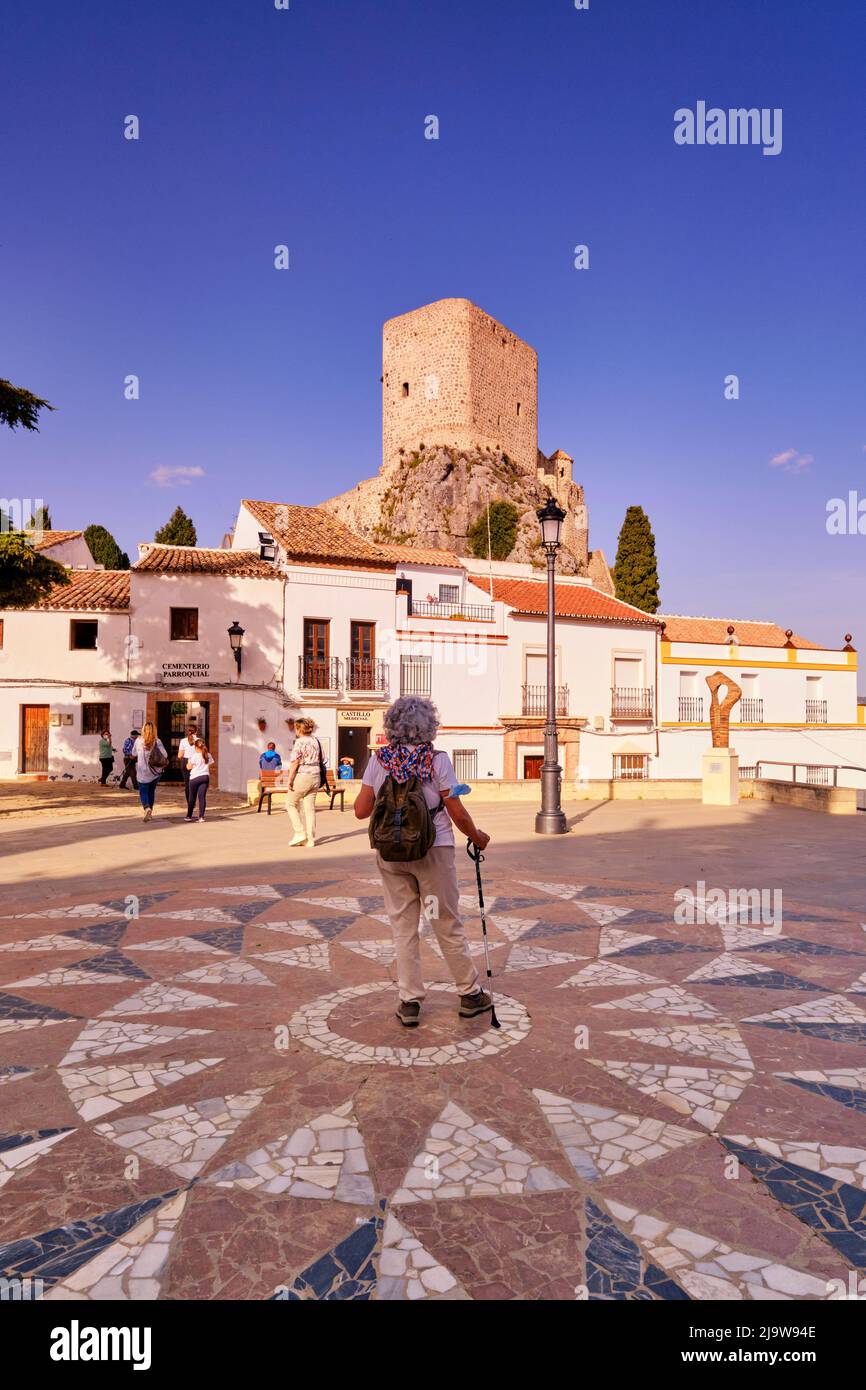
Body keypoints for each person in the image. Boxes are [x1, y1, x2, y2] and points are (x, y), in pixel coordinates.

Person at [353, 695, 492, 1028]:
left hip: (391, 855)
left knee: (404, 928)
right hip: (433, 851)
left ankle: (409, 1001)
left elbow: (361, 811)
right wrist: (476, 836)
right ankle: (469, 994)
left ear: (392, 726)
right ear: (429, 725)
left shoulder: (379, 761)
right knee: (445, 921)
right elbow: (455, 810)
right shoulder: (437, 760)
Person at [285, 717, 322, 848]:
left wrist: (290, 779)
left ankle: (300, 832)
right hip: (316, 776)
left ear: (299, 728)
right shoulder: (316, 741)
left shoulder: (299, 742)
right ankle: (310, 839)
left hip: (303, 776)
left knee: (290, 804)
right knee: (309, 808)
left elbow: (295, 762)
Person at [133, 721, 168, 822]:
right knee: (151, 792)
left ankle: (146, 808)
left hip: (142, 772)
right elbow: (165, 755)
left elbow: (133, 753)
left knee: (143, 792)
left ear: (143, 730)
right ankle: (150, 812)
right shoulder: (157, 741)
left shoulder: (138, 741)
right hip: (155, 772)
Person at [185, 738, 214, 822]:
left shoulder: (194, 756)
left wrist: (188, 762)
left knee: (192, 797)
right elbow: (211, 765)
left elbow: (188, 767)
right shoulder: (208, 755)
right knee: (202, 797)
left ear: (196, 747)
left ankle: (189, 816)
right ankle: (201, 817)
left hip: (194, 778)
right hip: (205, 777)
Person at [177, 722, 199, 800]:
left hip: (185, 762)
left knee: (187, 784)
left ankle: (190, 803)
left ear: (187, 731)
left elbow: (179, 755)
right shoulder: (199, 741)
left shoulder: (183, 741)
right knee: (195, 783)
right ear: (196, 731)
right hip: (196, 763)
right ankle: (193, 801)